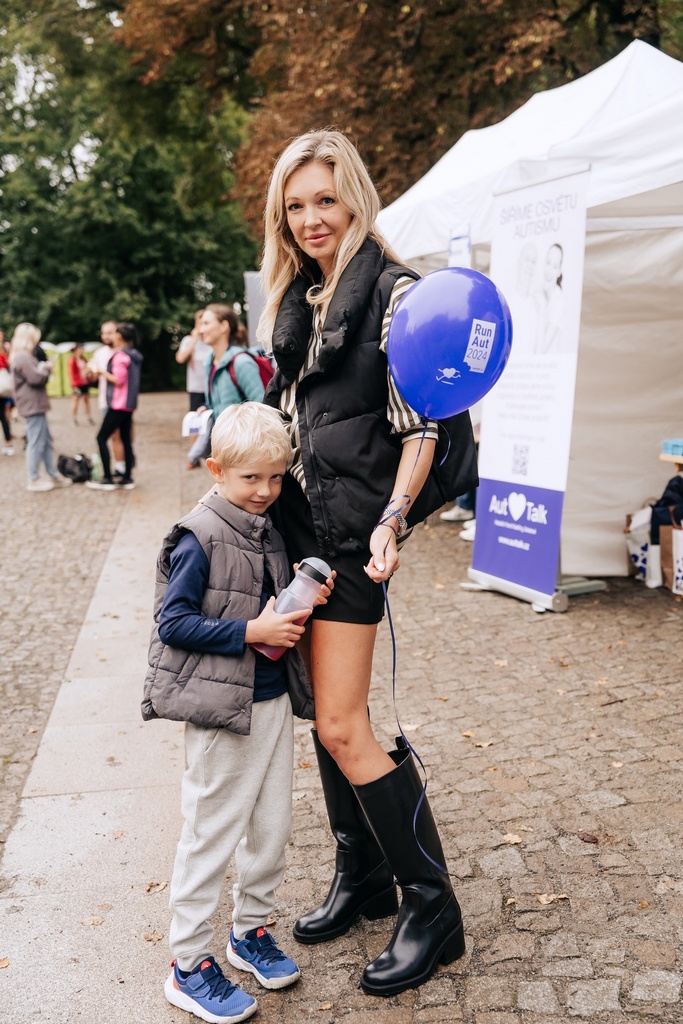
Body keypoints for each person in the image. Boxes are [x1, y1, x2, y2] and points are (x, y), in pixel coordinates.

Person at [258, 129, 465, 997]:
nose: (311, 218)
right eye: (295, 205)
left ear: (354, 197)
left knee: (345, 724)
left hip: (352, 538)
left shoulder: (394, 292)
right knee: (322, 718)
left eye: (325, 199)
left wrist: (390, 521)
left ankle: (432, 906)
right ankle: (365, 876)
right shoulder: (300, 299)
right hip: (299, 534)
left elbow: (421, 425)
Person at [142, 402, 333, 1024]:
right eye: (251, 478)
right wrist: (253, 630)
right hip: (221, 710)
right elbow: (173, 624)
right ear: (216, 470)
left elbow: (268, 604)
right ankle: (188, 962)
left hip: (272, 700)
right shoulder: (198, 535)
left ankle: (249, 932)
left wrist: (301, 595)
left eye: (276, 477)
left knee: (271, 827)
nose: (266, 490)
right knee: (211, 834)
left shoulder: (267, 526)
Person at [186, 305, 264, 471]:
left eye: (206, 323)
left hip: (244, 452)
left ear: (224, 326)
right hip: (223, 448)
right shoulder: (209, 362)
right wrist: (207, 408)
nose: (201, 330)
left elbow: (262, 410)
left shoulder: (241, 362)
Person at [9, 323, 73, 492]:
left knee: (45, 441)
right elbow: (36, 378)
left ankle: (53, 474)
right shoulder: (23, 357)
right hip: (32, 405)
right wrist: (46, 368)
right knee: (36, 442)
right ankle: (33, 478)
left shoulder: (22, 356)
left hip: (34, 404)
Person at [86, 322, 142, 491]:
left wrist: (102, 371)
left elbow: (118, 380)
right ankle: (127, 478)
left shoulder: (120, 356)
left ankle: (107, 478)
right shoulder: (134, 354)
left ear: (120, 336)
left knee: (101, 438)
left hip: (117, 404)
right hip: (129, 405)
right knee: (125, 439)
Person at [176, 310, 210, 411]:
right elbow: (180, 358)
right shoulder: (188, 340)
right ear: (196, 324)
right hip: (196, 388)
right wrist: (194, 341)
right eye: (200, 323)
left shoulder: (212, 340)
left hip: (211, 388)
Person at [534, 242, 565, 354]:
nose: (549, 270)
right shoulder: (538, 291)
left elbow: (540, 351)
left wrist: (542, 306)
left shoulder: (559, 301)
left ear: (559, 272)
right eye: (548, 263)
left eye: (555, 266)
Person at [68, 343, 95, 425]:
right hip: (77, 383)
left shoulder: (83, 359)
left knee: (86, 400)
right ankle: (73, 418)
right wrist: (74, 385)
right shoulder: (73, 361)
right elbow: (72, 374)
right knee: (76, 401)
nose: (82, 351)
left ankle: (88, 417)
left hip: (85, 382)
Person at [0, 329, 15, 455]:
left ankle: (8, 442)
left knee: (3, 415)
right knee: (3, 415)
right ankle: (8, 442)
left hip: (2, 387)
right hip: (3, 387)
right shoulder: (5, 351)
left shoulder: (4, 351)